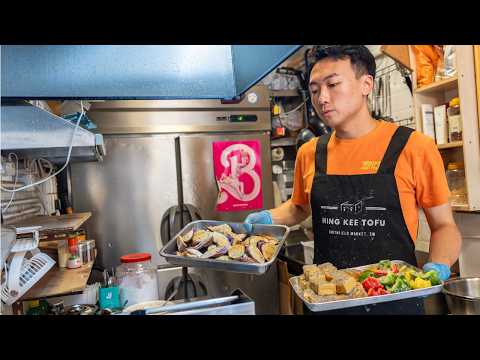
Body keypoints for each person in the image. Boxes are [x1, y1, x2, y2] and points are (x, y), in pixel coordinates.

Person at [244, 45, 462, 314]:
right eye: (314, 90)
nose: (322, 97)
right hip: (327, 302)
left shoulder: (413, 147)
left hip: (394, 299)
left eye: (333, 84)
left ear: (366, 84)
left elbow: (444, 227)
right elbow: (298, 207)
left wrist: (438, 265)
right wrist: (267, 218)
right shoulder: (310, 152)